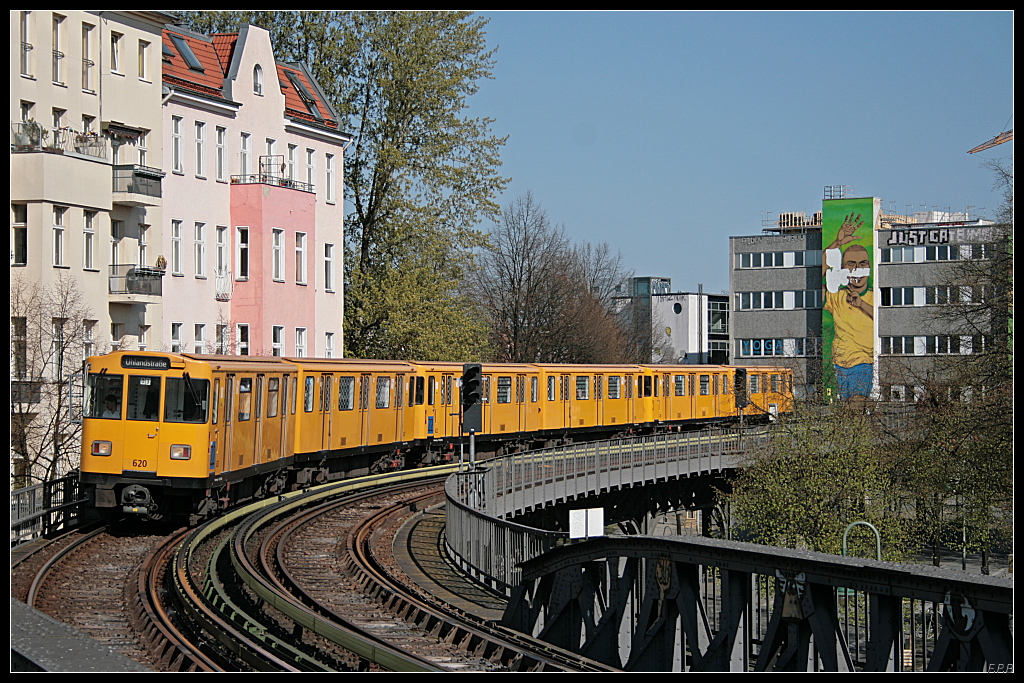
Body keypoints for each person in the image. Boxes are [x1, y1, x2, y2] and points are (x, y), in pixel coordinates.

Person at [823, 213, 874, 400]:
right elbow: (819, 276)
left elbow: (885, 319)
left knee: (856, 408)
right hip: (838, 367)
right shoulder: (837, 296)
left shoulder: (874, 297)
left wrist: (861, 304)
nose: (857, 269)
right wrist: (837, 243)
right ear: (843, 269)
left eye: (862, 264)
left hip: (863, 366)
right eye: (851, 264)